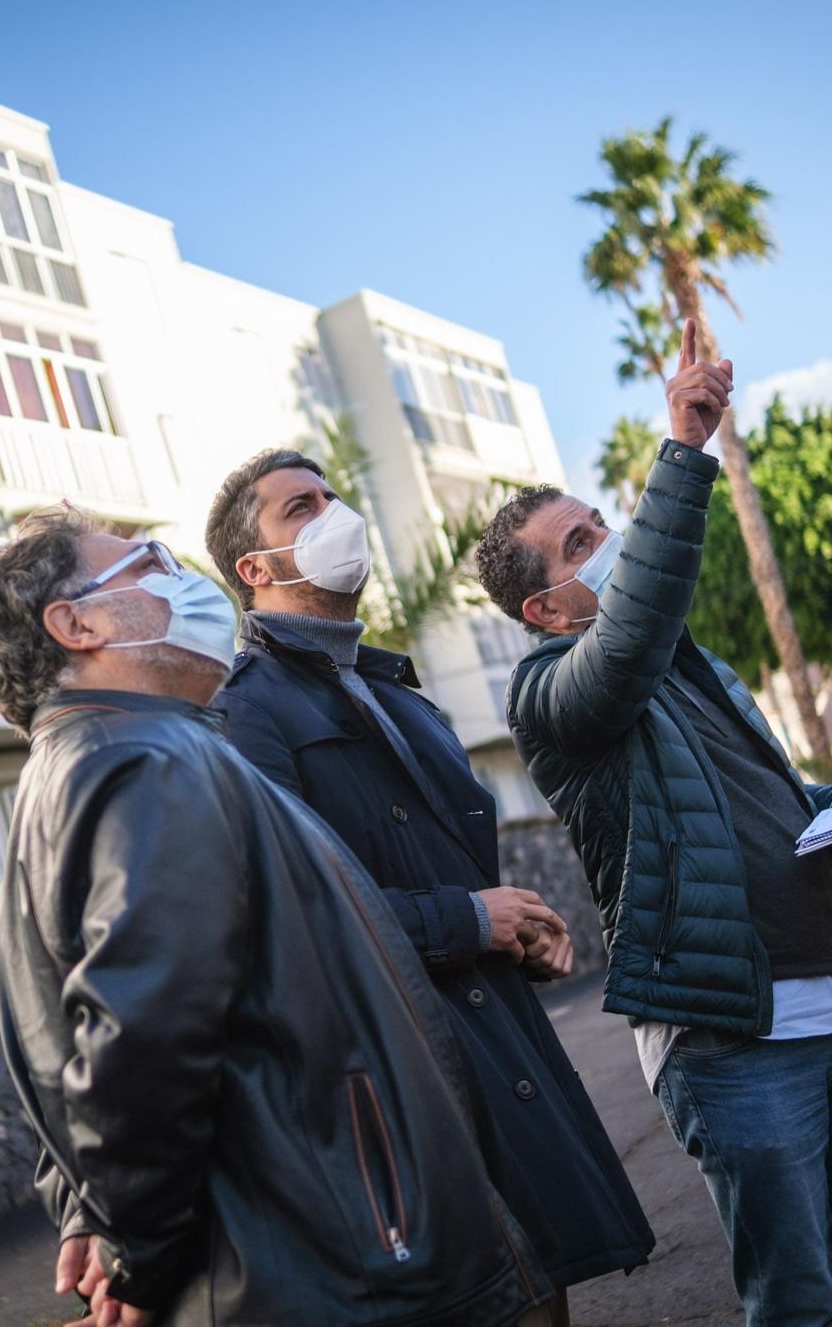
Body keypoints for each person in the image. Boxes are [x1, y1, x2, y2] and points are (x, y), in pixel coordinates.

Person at [0, 507, 552, 1327]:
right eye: (146, 563)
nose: (178, 578)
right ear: (76, 623)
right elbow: (143, 1039)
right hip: (347, 1264)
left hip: (321, 1260)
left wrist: (90, 1211)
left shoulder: (102, 760)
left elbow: (68, 1040)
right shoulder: (137, 760)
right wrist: (133, 1251)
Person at [471, 324, 832, 1326]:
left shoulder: (688, 662)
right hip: (733, 1045)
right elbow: (626, 636)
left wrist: (831, 806)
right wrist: (682, 448)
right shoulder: (550, 693)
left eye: (598, 518)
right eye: (583, 543)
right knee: (798, 1305)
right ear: (545, 609)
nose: (611, 538)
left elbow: (735, 803)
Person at [203, 449, 655, 1324]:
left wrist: (513, 928)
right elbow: (288, 913)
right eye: (301, 507)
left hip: (491, 1033)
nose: (336, 515)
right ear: (254, 570)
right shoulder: (245, 711)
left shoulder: (392, 686)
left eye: (334, 494)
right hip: (401, 1069)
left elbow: (441, 867)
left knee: (542, 1290)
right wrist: (465, 919)